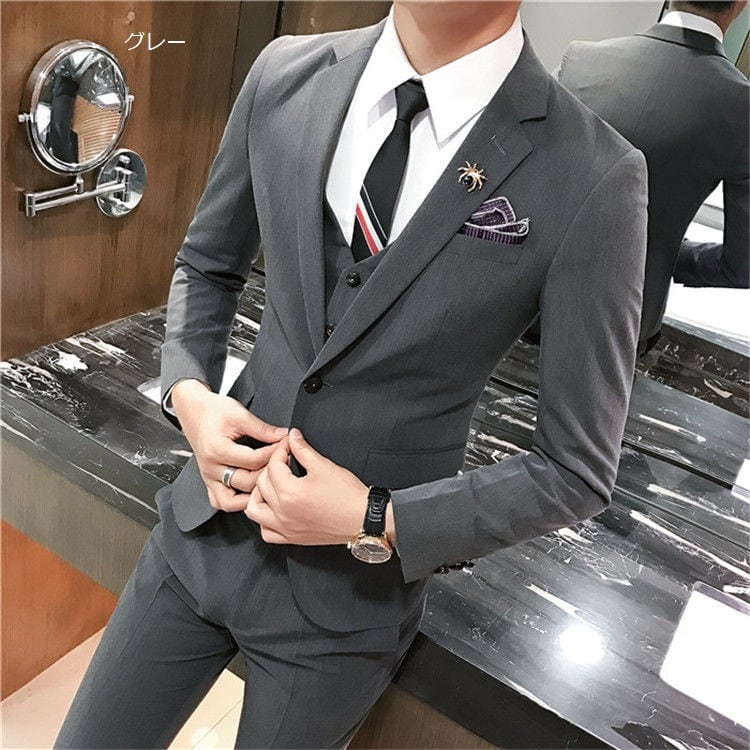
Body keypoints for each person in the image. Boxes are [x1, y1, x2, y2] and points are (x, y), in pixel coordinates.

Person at [55, 1, 647, 747]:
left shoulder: (593, 173)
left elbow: (575, 469)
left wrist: (377, 518)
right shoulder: (285, 75)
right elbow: (207, 263)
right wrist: (190, 393)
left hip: (347, 603)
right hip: (202, 529)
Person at [555, 0, 749, 355]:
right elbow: (743, 265)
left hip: (526, 301)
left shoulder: (580, 59)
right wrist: (662, 253)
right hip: (623, 325)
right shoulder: (742, 108)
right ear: (741, 5)